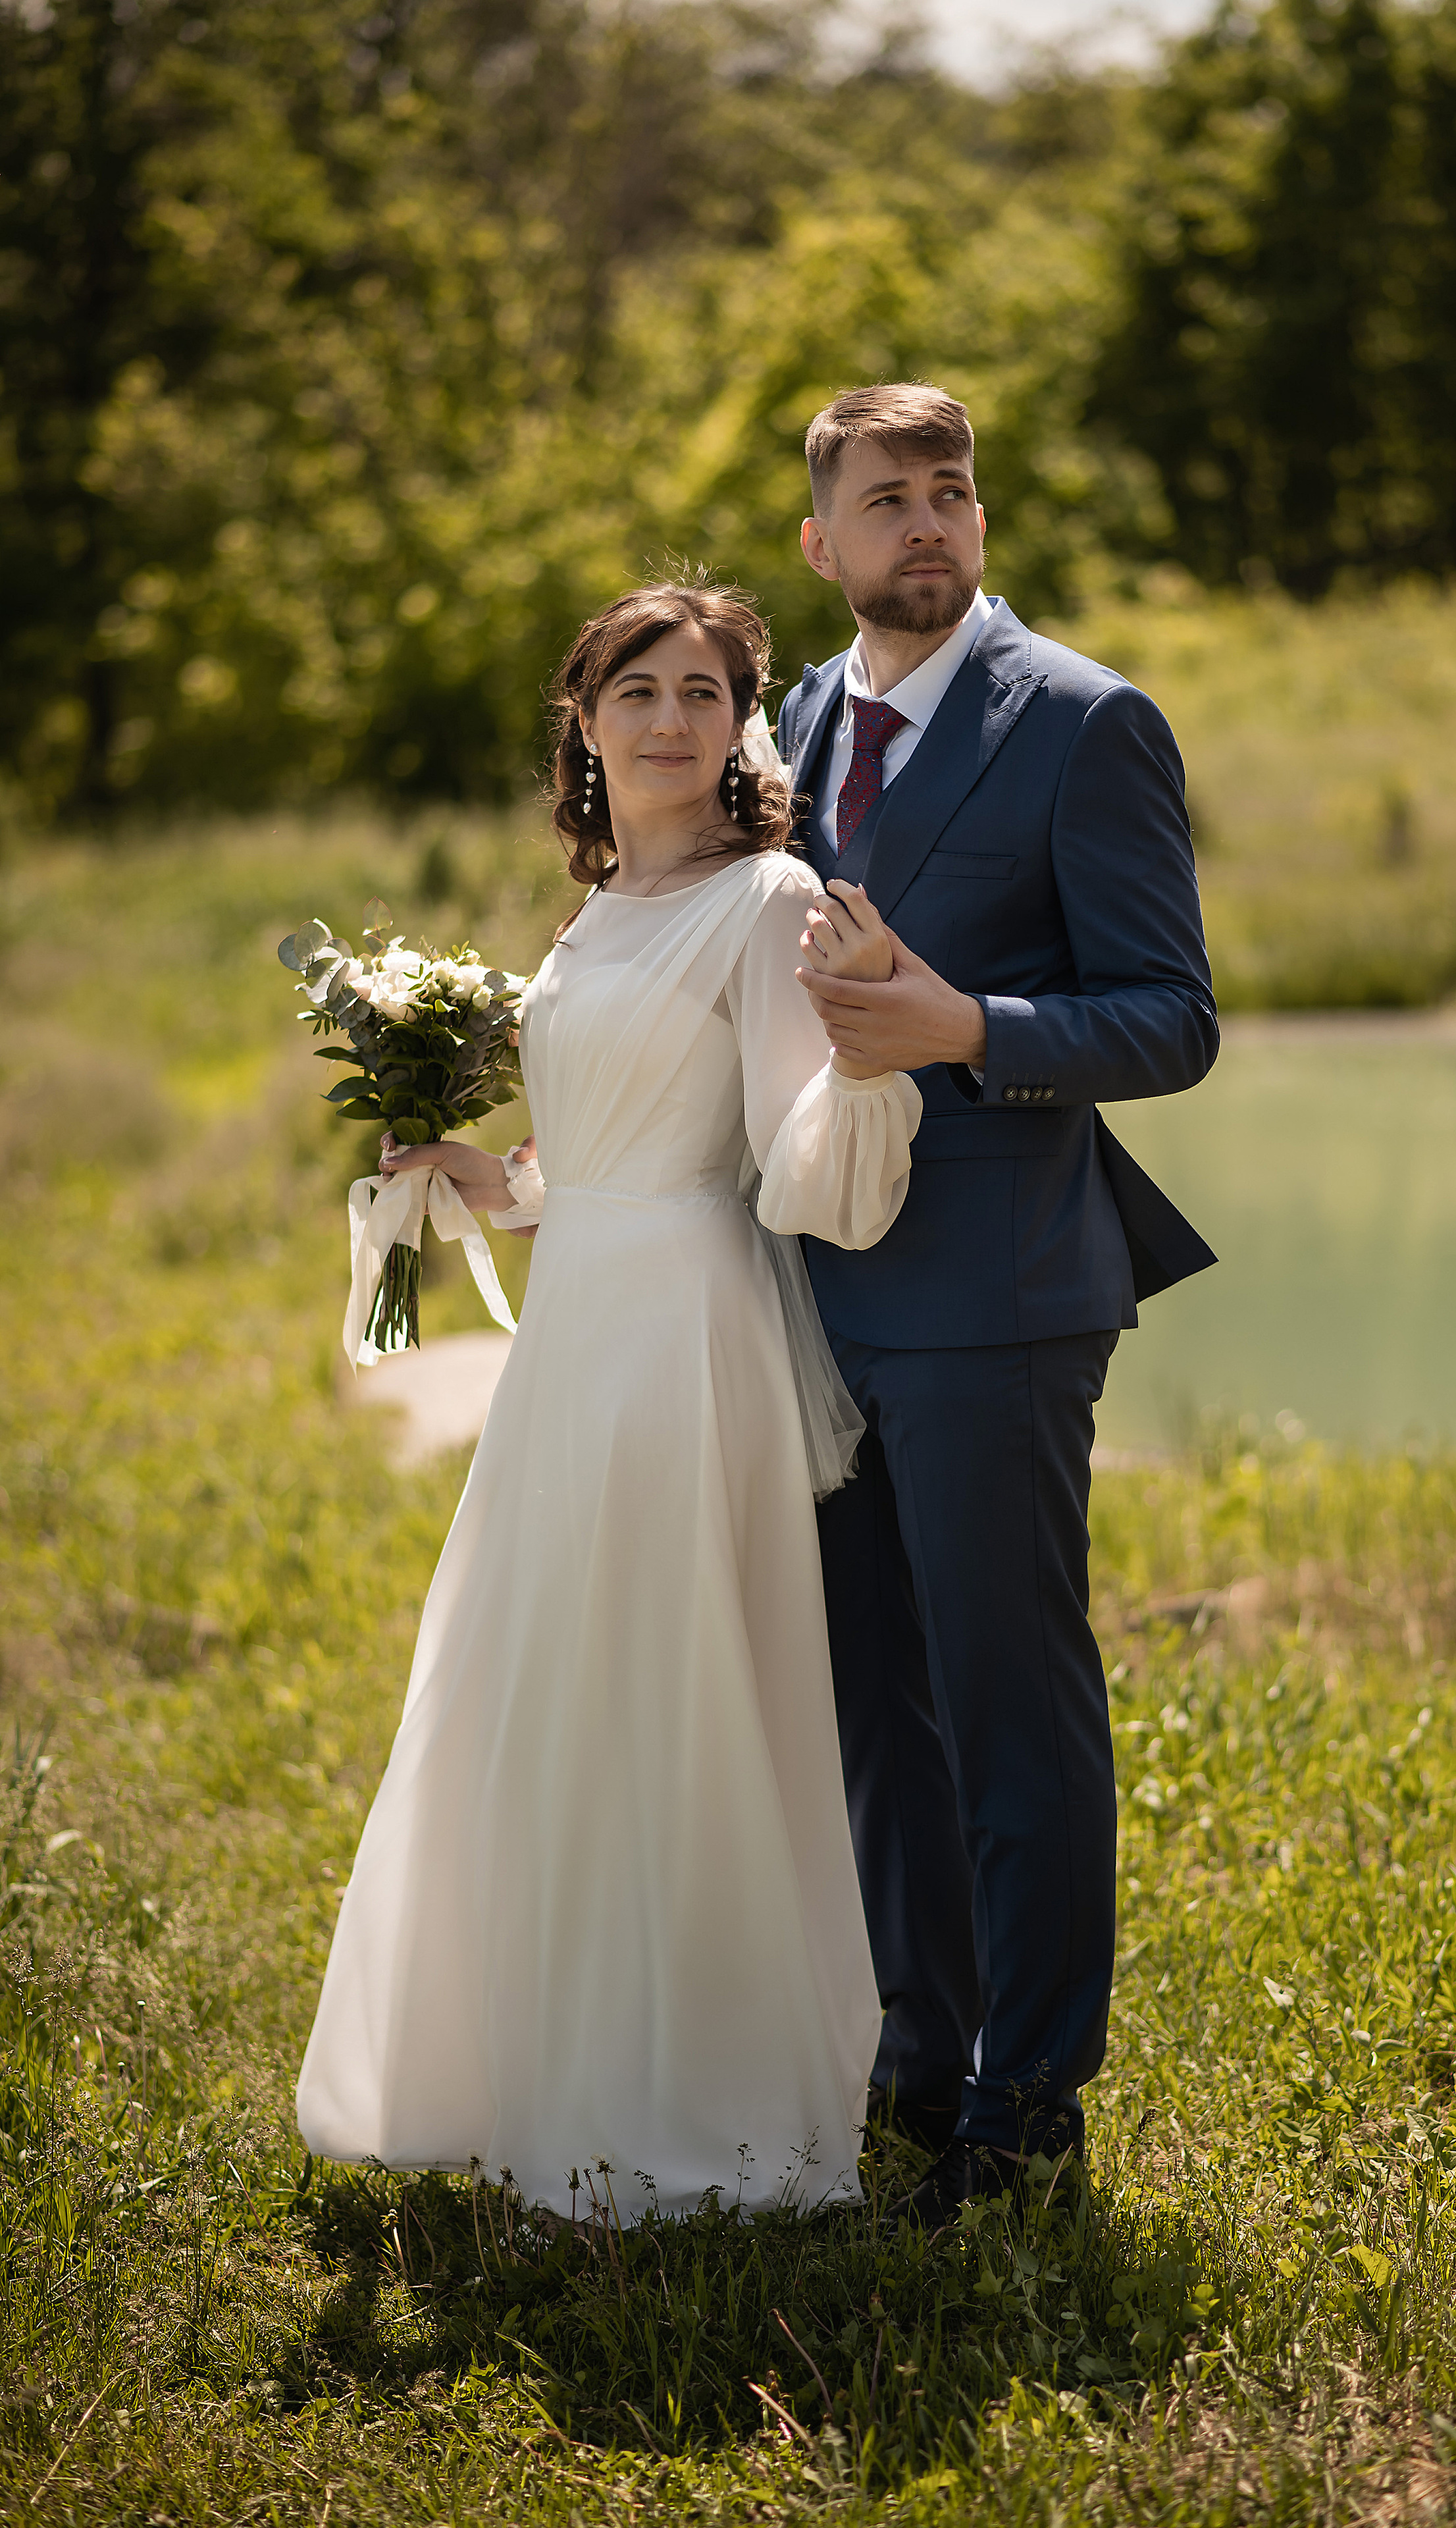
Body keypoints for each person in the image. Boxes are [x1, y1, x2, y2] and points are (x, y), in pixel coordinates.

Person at [295, 580, 921, 2221]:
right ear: (582, 722)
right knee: (547, 1680)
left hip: (683, 1339)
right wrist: (484, 1181)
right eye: (634, 688)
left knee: (671, 1688)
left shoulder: (766, 895)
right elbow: (595, 1159)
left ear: (739, 724)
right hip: (573, 1337)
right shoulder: (592, 913)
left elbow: (793, 1165)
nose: (667, 718)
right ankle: (537, 2069)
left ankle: (688, 2098)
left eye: (702, 691)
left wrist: (863, 1065)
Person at [779, 384, 1221, 2227]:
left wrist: (972, 1028)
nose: (929, 527)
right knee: (876, 1705)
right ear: (825, 544)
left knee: (1010, 1706)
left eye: (950, 493)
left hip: (1001, 1293)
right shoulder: (795, 714)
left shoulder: (1088, 722)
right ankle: (918, 2064)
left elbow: (1171, 1018)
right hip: (815, 1283)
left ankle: (1033, 2109)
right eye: (887, 501)